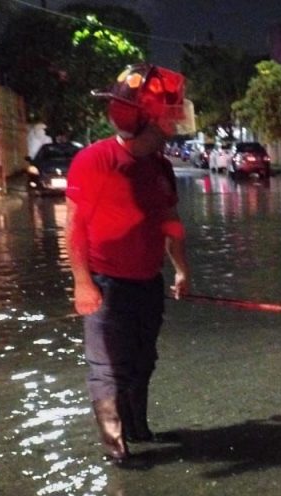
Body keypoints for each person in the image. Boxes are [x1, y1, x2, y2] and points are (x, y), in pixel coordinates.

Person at [65, 63, 191, 464]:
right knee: (108, 369)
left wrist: (182, 269)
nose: (172, 128)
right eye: (166, 119)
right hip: (106, 285)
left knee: (143, 361)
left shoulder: (161, 167)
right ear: (143, 120)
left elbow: (170, 222)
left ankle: (138, 426)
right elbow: (74, 228)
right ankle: (116, 448)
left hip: (147, 283)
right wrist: (83, 283)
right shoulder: (93, 161)